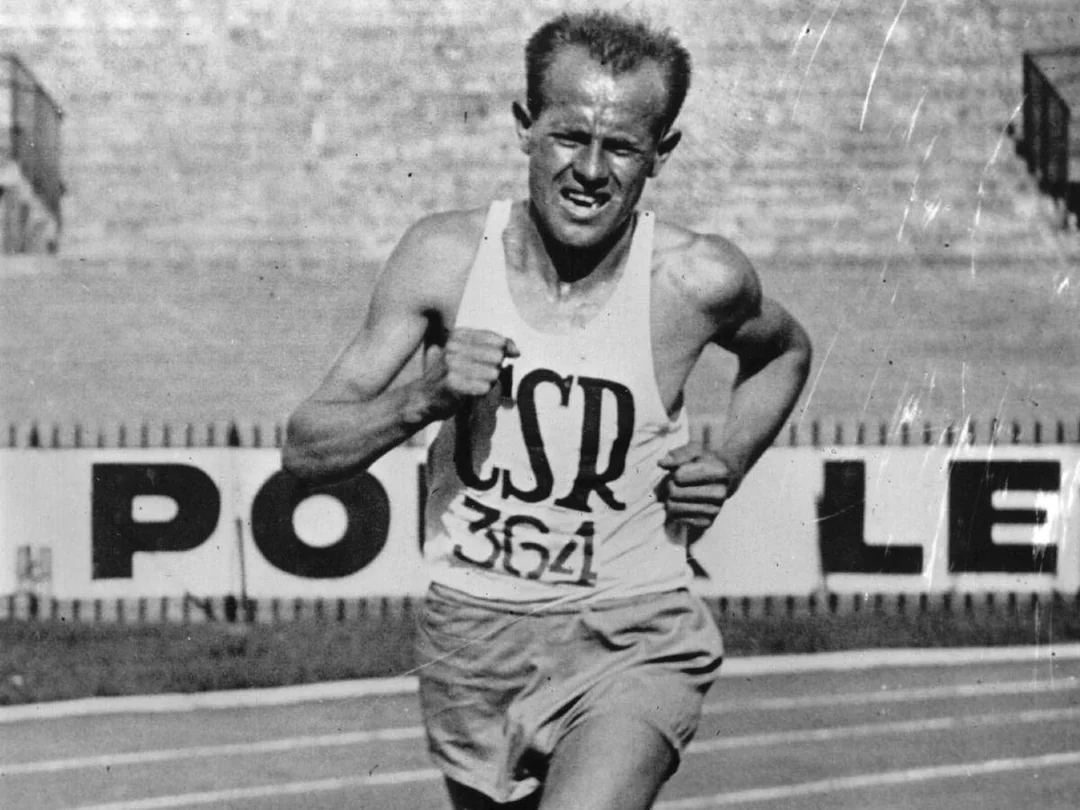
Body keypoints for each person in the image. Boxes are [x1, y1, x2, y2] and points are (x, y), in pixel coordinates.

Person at [283, 10, 811, 809]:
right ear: (525, 127)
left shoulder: (697, 278)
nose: (590, 170)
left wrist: (729, 462)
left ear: (660, 153)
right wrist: (424, 398)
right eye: (569, 136)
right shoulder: (443, 258)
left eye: (621, 146)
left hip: (633, 631)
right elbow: (306, 448)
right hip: (473, 644)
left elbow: (785, 351)